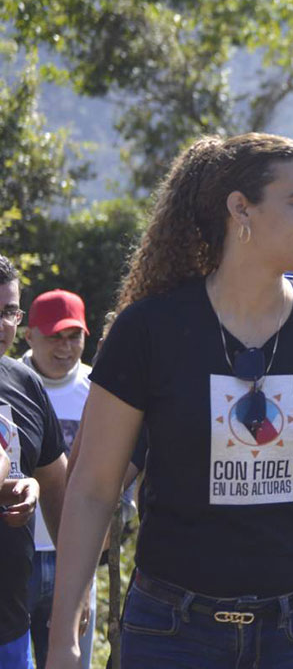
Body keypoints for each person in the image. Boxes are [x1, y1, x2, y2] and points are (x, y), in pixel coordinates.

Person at [45, 133, 293, 669]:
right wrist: (64, 632)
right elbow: (93, 489)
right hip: (169, 630)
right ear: (240, 209)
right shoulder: (148, 330)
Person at [0, 256, 71, 669]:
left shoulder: (24, 382)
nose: (2, 325)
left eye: (9, 311)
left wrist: (71, 591)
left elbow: (57, 482)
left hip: (9, 625)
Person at [21, 289, 96, 668]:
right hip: (16, 555)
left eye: (74, 336)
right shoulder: (12, 384)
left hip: (74, 557)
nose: (65, 347)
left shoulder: (99, 389)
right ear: (29, 335)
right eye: (54, 336)